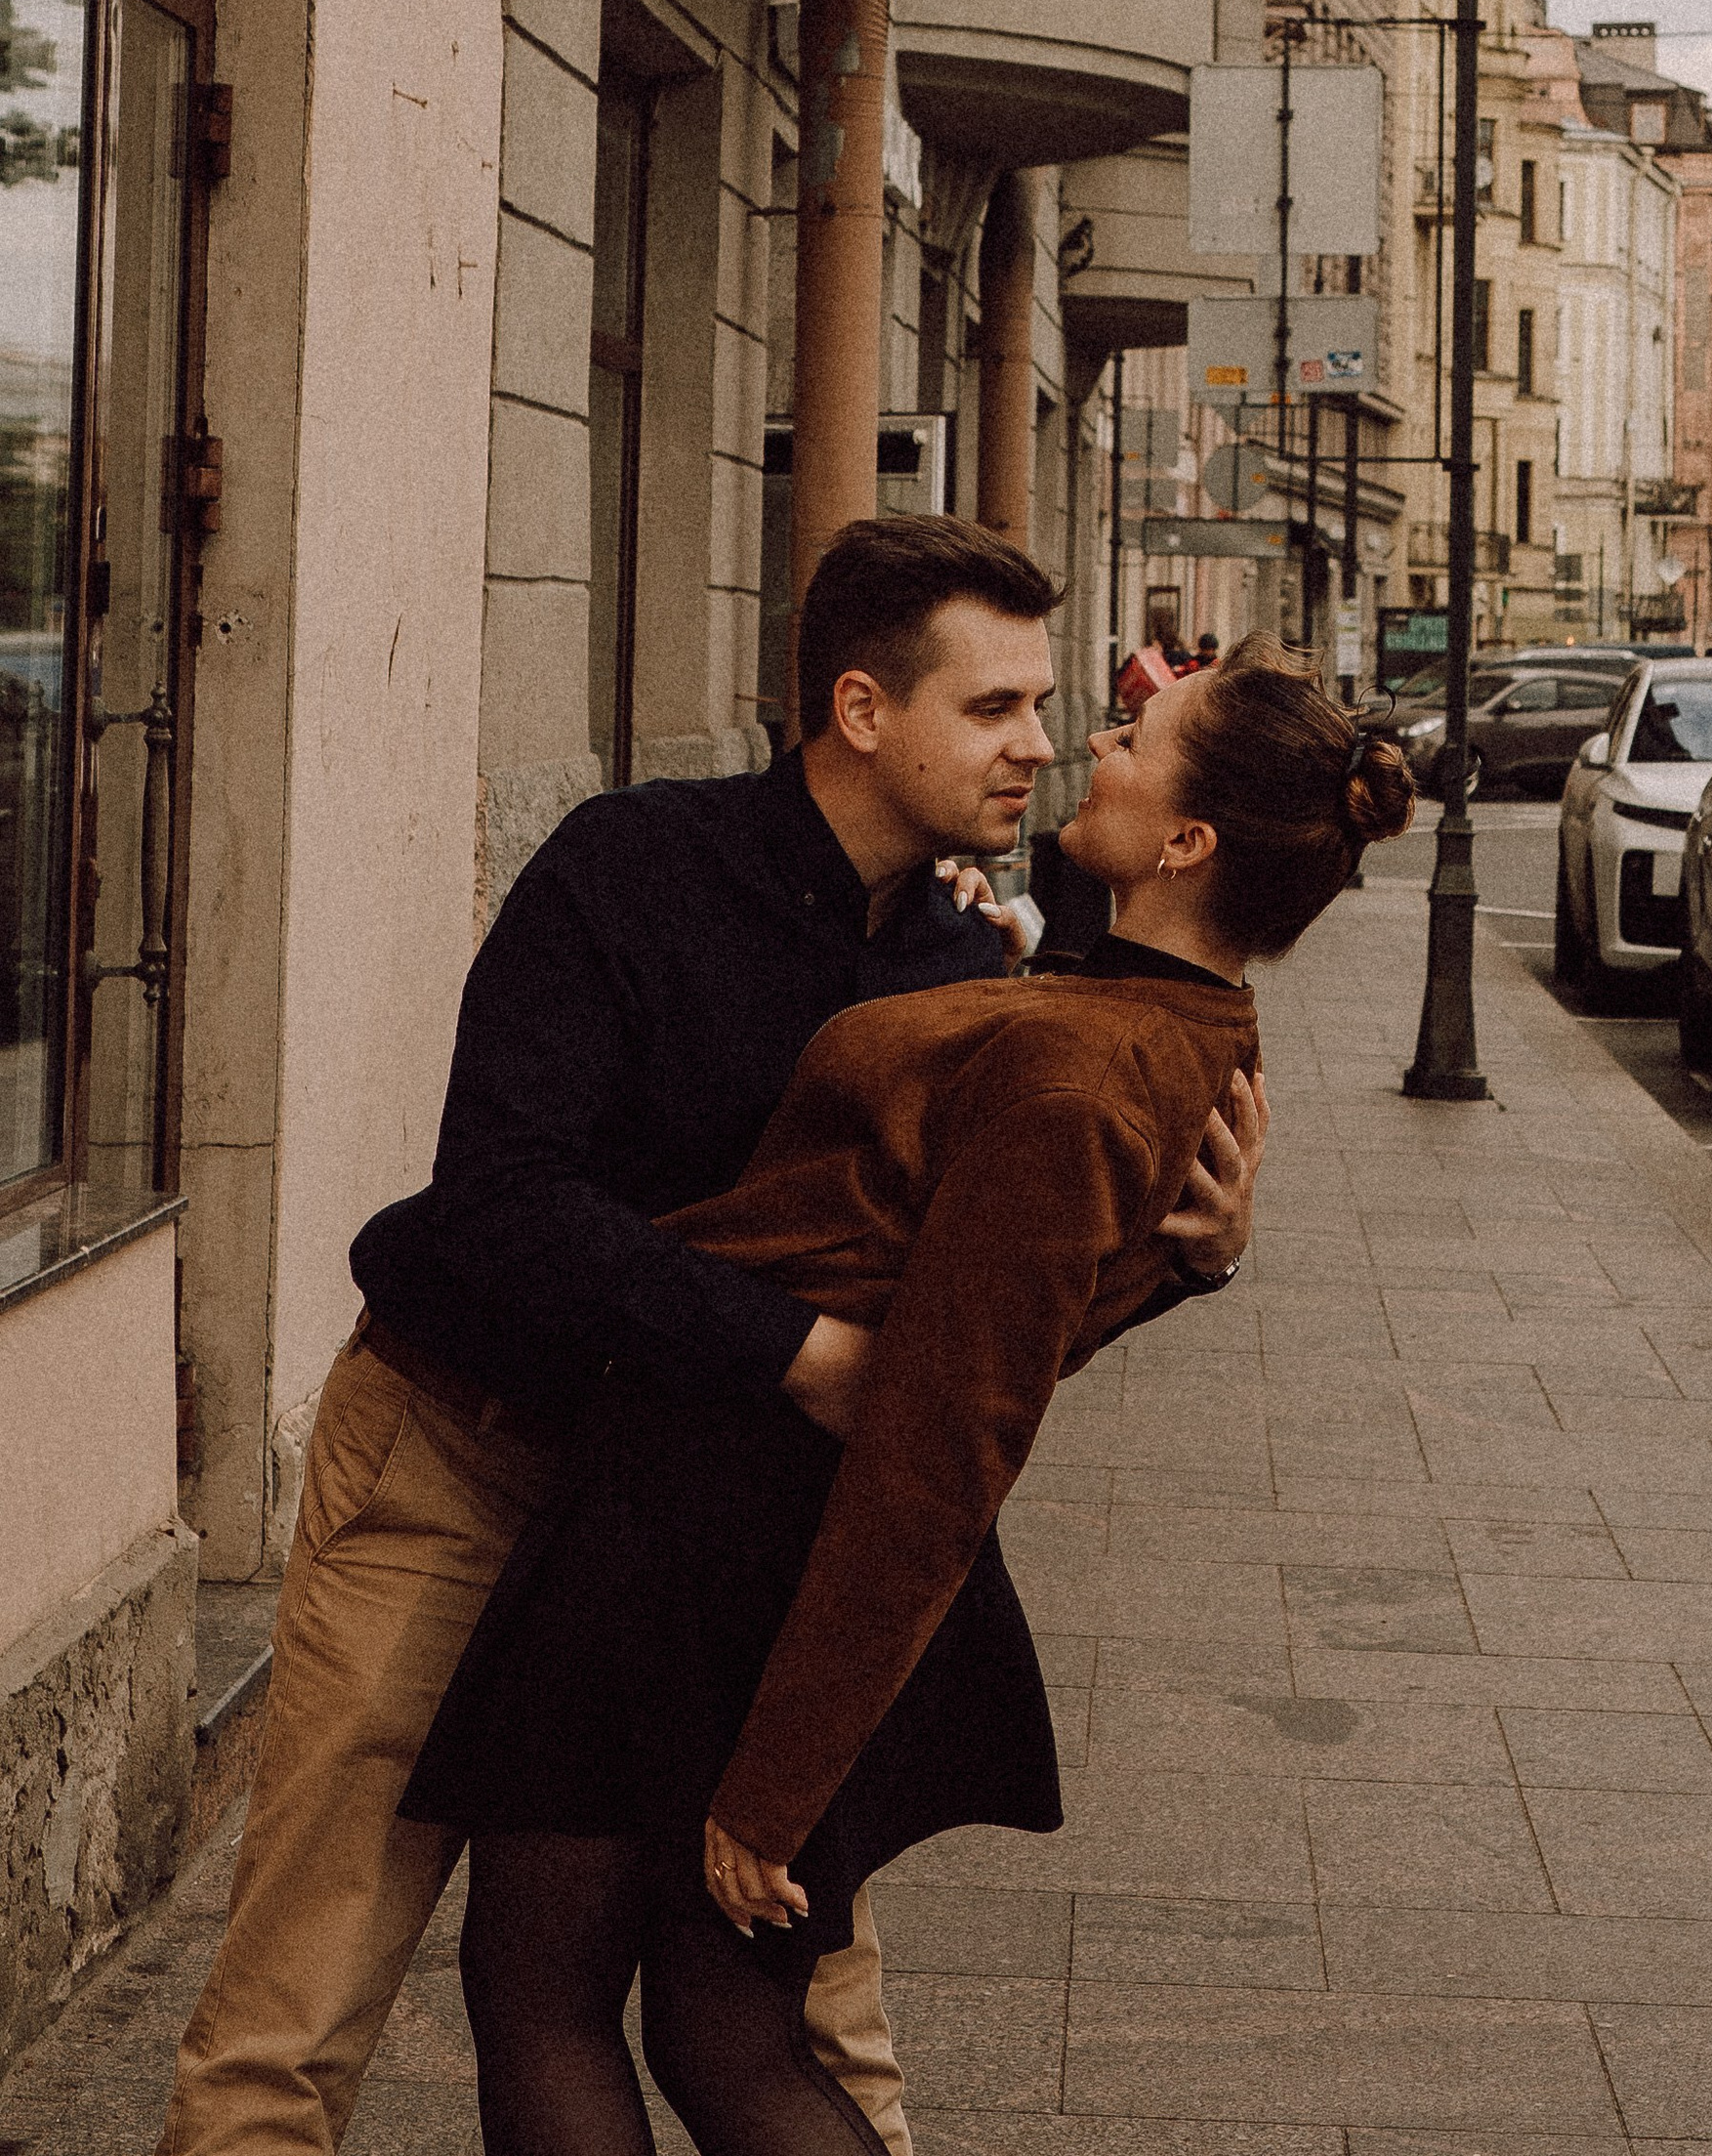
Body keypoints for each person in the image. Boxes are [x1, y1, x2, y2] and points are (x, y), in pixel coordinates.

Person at [158, 518, 1266, 2156]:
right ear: (862, 709)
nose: (1040, 741)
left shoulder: (967, 956)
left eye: (1051, 704)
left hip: (695, 1540)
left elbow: (977, 1321)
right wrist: (795, 1354)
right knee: (301, 2001)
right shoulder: (632, 867)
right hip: (465, 1457)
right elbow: (500, 1204)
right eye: (995, 706)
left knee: (812, 2006)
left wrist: (1187, 1258)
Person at [398, 641, 1412, 2156]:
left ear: (1189, 842)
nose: (1093, 748)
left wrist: (776, 1787)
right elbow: (1012, 1312)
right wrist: (1192, 1266)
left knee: (565, 2003)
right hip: (727, 1525)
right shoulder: (1162, 1027)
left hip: (704, 1534)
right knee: (706, 2027)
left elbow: (951, 1435)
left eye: (1137, 738)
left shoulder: (1081, 1071)